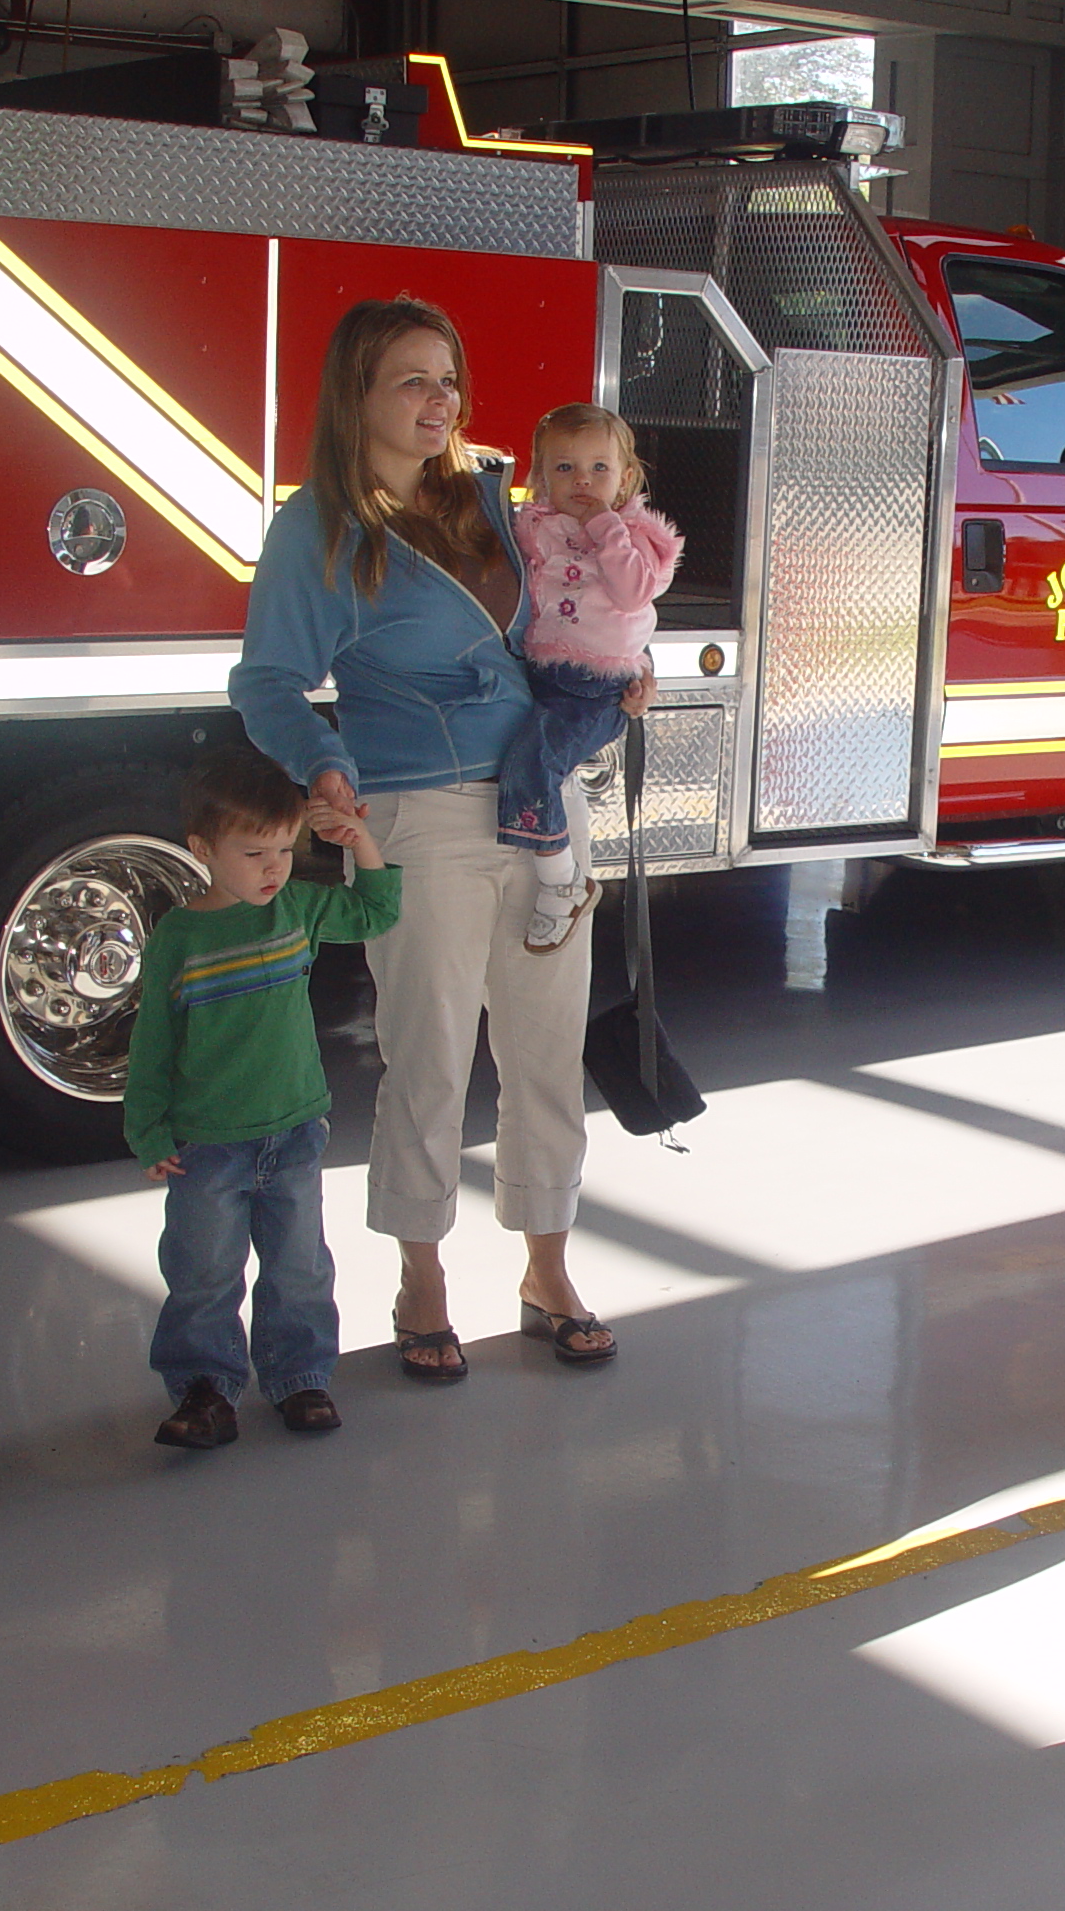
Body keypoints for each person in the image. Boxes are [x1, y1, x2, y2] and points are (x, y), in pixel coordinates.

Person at [231, 298, 652, 1383]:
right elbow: (267, 681)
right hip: (417, 809)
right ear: (356, 398)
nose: (438, 401)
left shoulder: (490, 499)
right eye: (410, 381)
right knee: (428, 1058)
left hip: (544, 801)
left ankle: (546, 1267)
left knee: (548, 1053)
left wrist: (614, 677)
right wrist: (323, 767)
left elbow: (566, 615)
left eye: (446, 379)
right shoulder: (319, 525)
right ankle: (421, 1274)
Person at [124, 751, 401, 1448]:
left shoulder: (298, 908)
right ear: (202, 850)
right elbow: (153, 1040)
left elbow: (377, 908)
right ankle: (203, 1389)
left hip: (295, 1129)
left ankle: (300, 1377)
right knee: (203, 1272)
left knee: (299, 1263)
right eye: (253, 853)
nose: (273, 867)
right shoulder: (179, 939)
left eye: (284, 849)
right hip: (206, 1143)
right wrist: (149, 1130)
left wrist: (358, 840)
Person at [497, 402, 682, 952]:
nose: (582, 481)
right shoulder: (537, 531)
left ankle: (563, 882)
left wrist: (604, 525)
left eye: (599, 469)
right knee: (521, 760)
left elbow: (633, 596)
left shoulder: (636, 538)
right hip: (542, 672)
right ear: (540, 478)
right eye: (564, 469)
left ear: (626, 478)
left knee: (535, 763)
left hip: (595, 688)